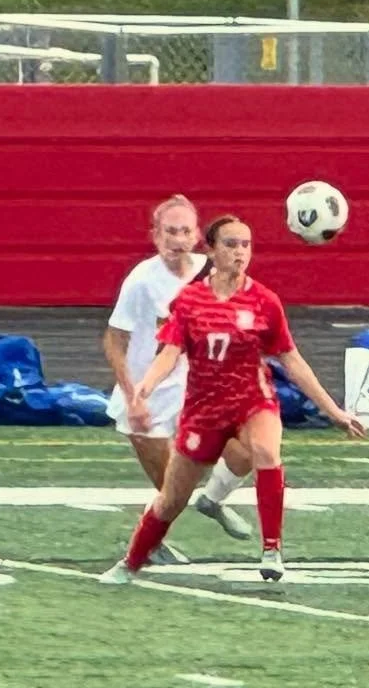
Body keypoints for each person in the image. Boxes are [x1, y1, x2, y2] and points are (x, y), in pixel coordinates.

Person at [102, 215, 364, 585]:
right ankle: (131, 562)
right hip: (204, 410)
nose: (240, 252)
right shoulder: (190, 301)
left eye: (246, 245)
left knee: (267, 453)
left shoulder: (264, 301)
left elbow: (291, 358)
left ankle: (272, 549)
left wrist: (333, 410)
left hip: (252, 401)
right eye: (230, 244)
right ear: (210, 250)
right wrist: (143, 387)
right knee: (170, 500)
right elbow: (169, 352)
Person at [103, 195, 255, 565]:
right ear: (155, 235)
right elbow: (114, 341)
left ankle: (213, 499)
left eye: (185, 231)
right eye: (170, 231)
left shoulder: (211, 270)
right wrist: (132, 397)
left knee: (248, 450)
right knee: (173, 489)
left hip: (199, 390)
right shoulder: (142, 280)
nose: (178, 239)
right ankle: (149, 541)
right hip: (149, 395)